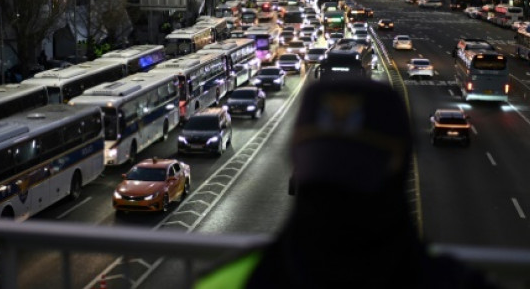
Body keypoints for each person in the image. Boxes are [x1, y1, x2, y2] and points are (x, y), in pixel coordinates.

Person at [195, 77, 500, 289]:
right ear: (403, 171)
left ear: (296, 165)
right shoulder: (455, 283)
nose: (339, 203)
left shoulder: (227, 283)